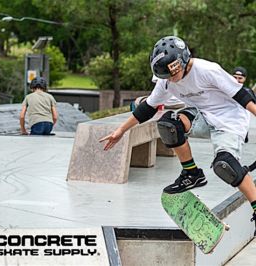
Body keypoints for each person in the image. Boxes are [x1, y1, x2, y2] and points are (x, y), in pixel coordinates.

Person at [100, 36, 256, 232]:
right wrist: (120, 131)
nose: (172, 80)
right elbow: (148, 107)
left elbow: (243, 96)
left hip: (231, 121)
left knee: (224, 166)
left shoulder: (207, 70)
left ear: (183, 61)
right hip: (203, 116)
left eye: (174, 74)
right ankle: (191, 174)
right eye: (167, 77)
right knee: (168, 124)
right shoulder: (166, 81)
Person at [233, 66, 256, 143]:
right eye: (235, 77)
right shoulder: (225, 91)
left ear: (245, 79)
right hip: (227, 126)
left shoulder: (248, 92)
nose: (237, 80)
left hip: (241, 127)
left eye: (240, 78)